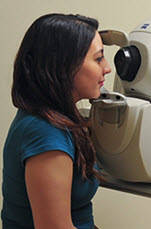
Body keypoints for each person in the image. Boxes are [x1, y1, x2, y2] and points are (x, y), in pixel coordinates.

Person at [2, 13, 111, 228]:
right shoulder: (44, 132)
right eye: (98, 58)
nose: (106, 67)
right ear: (65, 67)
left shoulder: (56, 120)